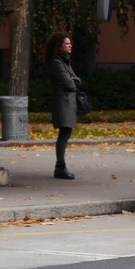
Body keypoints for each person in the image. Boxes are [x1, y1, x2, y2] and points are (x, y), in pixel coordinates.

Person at [44, 32, 81, 180]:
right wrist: (73, 80)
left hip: (67, 102)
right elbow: (71, 84)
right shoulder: (57, 63)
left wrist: (74, 80)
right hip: (63, 102)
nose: (70, 45)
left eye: (70, 43)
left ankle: (60, 166)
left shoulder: (65, 61)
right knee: (64, 134)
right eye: (67, 43)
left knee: (66, 134)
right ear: (59, 47)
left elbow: (76, 81)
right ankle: (60, 167)